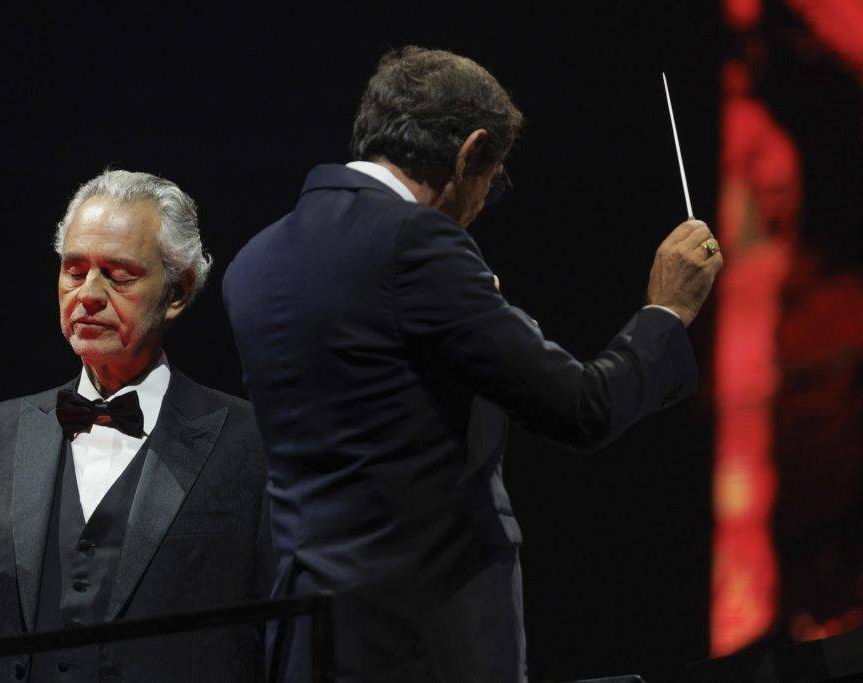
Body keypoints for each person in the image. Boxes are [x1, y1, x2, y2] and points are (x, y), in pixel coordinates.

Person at [222, 46, 723, 682]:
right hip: (428, 636)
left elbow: (376, 411)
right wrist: (667, 312)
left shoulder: (255, 262)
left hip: (308, 641)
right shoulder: (417, 242)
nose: (487, 201)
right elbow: (581, 408)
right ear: (470, 153)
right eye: (494, 178)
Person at [0, 170, 272, 682]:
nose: (89, 294)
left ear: (178, 292)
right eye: (74, 271)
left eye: (119, 274)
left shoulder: (250, 442)